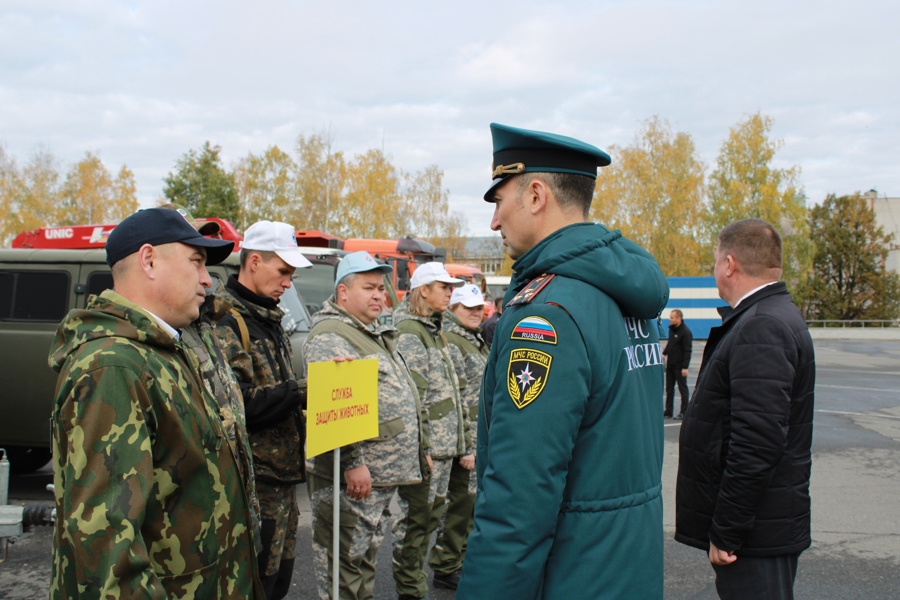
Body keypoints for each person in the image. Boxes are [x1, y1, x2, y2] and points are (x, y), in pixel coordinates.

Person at [455, 123, 669, 600]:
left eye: (499, 200)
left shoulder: (547, 315)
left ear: (535, 195)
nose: (494, 221)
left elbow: (519, 498)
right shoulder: (624, 295)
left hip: (572, 576)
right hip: (624, 569)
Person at [48, 208, 264, 599]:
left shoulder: (162, 352)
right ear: (149, 260)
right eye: (196, 262)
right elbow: (106, 553)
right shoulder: (113, 368)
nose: (206, 280)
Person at [675, 218, 815, 600]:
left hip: (755, 536)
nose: (715, 268)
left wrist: (727, 530)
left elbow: (757, 442)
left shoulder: (762, 325)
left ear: (730, 263)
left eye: (716, 260)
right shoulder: (771, 314)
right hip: (764, 526)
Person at [303, 251, 430, 600]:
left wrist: (421, 450)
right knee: (343, 567)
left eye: (381, 288)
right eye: (369, 287)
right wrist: (353, 463)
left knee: (362, 560)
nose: (379, 295)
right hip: (352, 480)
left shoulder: (369, 332)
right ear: (343, 293)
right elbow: (335, 409)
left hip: (374, 479)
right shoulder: (332, 335)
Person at [215, 220, 312, 600]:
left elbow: (279, 391)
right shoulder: (228, 321)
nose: (288, 282)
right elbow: (239, 405)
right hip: (256, 484)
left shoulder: (269, 318)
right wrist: (302, 390)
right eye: (283, 271)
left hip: (282, 478)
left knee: (278, 582)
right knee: (255, 584)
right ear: (254, 261)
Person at [392, 262, 467, 600]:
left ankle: (416, 583)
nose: (450, 292)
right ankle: (410, 589)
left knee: (431, 515)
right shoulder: (411, 331)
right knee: (416, 520)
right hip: (429, 447)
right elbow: (414, 395)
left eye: (451, 287)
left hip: (444, 444)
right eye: (444, 287)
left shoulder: (434, 328)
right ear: (424, 290)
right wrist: (420, 447)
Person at [429, 283, 491, 589]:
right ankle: (446, 565)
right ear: (453, 309)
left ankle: (459, 559)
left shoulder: (472, 339)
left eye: (479, 308)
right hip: (465, 440)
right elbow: (459, 396)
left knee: (470, 504)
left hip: (477, 436)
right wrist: (467, 446)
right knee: (459, 505)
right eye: (468, 308)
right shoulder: (453, 340)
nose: (476, 313)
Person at [663, 308, 693, 419]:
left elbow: (688, 350)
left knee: (682, 389)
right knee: (669, 389)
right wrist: (664, 353)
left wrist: (685, 367)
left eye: (672, 318)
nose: (669, 320)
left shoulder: (686, 332)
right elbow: (670, 343)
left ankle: (684, 411)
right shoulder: (672, 329)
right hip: (670, 364)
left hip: (680, 366)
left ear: (679, 319)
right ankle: (668, 411)